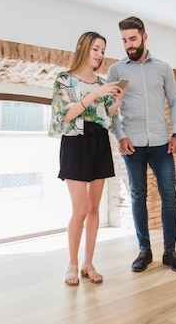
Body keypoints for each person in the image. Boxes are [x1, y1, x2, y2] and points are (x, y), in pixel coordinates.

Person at [107, 16, 176, 274]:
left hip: (162, 143)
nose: (128, 45)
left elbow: (174, 102)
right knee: (138, 196)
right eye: (124, 40)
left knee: (170, 196)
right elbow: (109, 109)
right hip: (133, 145)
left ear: (144, 36)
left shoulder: (163, 68)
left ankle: (170, 252)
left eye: (132, 38)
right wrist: (120, 135)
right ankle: (144, 250)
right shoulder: (116, 70)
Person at [49, 31, 124, 286]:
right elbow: (66, 115)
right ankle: (71, 263)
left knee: (94, 209)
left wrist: (116, 103)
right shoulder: (65, 79)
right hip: (75, 143)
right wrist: (94, 94)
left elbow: (105, 119)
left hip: (99, 141)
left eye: (102, 50)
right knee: (80, 210)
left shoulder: (102, 82)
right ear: (83, 47)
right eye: (96, 49)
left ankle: (88, 263)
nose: (99, 55)